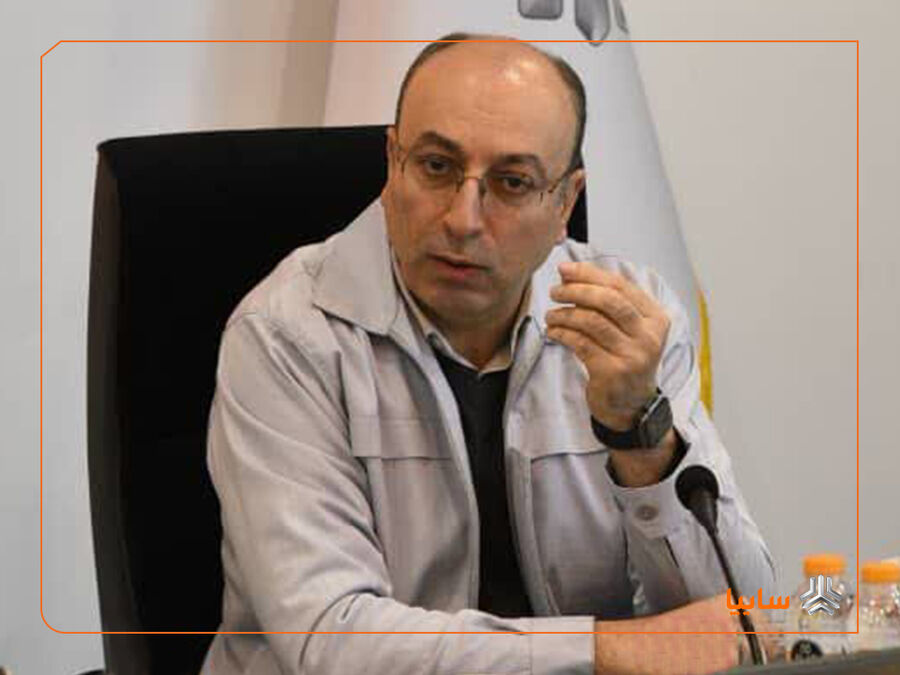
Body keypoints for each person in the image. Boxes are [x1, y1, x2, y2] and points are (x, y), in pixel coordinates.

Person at [202, 33, 776, 675]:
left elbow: (744, 620)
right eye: (436, 167)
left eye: (512, 183)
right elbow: (329, 640)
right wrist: (606, 647)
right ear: (393, 164)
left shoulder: (630, 322)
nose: (464, 219)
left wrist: (641, 439)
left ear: (565, 202)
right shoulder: (286, 334)